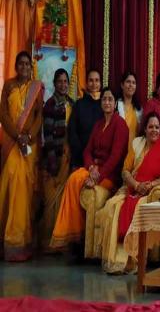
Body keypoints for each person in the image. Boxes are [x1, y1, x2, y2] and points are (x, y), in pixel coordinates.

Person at [50, 87, 129, 250]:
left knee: (76, 179)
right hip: (94, 169)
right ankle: (74, 234)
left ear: (115, 104)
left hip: (109, 175)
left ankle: (73, 233)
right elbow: (87, 150)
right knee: (74, 178)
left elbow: (115, 157)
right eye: (104, 99)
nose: (106, 102)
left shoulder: (120, 125)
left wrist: (97, 176)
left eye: (110, 99)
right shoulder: (98, 124)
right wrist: (91, 166)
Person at [98, 112, 160, 273]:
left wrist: (150, 184)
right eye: (150, 127)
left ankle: (133, 259)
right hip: (131, 188)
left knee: (138, 207)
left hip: (149, 192)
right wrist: (135, 184)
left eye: (156, 127)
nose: (153, 130)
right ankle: (116, 261)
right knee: (113, 206)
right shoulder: (136, 144)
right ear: (145, 129)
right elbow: (125, 170)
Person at [0, 52, 43, 261]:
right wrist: (17, 135)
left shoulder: (36, 88)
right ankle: (7, 242)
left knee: (25, 192)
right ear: (16, 66)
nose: (25, 66)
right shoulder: (8, 85)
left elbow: (38, 117)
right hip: (10, 143)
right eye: (21, 63)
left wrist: (28, 136)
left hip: (28, 146)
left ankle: (22, 243)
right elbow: (3, 115)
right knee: (8, 185)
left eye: (28, 63)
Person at [39, 68, 75, 251]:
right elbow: (48, 136)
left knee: (63, 201)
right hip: (53, 159)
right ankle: (48, 243)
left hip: (68, 158)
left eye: (65, 81)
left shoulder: (71, 103)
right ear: (54, 83)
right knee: (50, 201)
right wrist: (53, 162)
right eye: (60, 81)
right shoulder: (50, 105)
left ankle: (61, 242)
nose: (63, 84)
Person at [68, 69, 102, 170]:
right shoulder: (79, 104)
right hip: (80, 157)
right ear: (86, 83)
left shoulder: (105, 104)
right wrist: (80, 151)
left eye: (97, 80)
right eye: (91, 80)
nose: (94, 84)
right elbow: (72, 130)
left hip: (100, 159)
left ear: (100, 83)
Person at [115, 70, 142, 154]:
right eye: (128, 82)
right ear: (122, 85)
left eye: (134, 83)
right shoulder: (115, 105)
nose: (131, 85)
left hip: (134, 151)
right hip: (118, 150)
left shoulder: (139, 108)